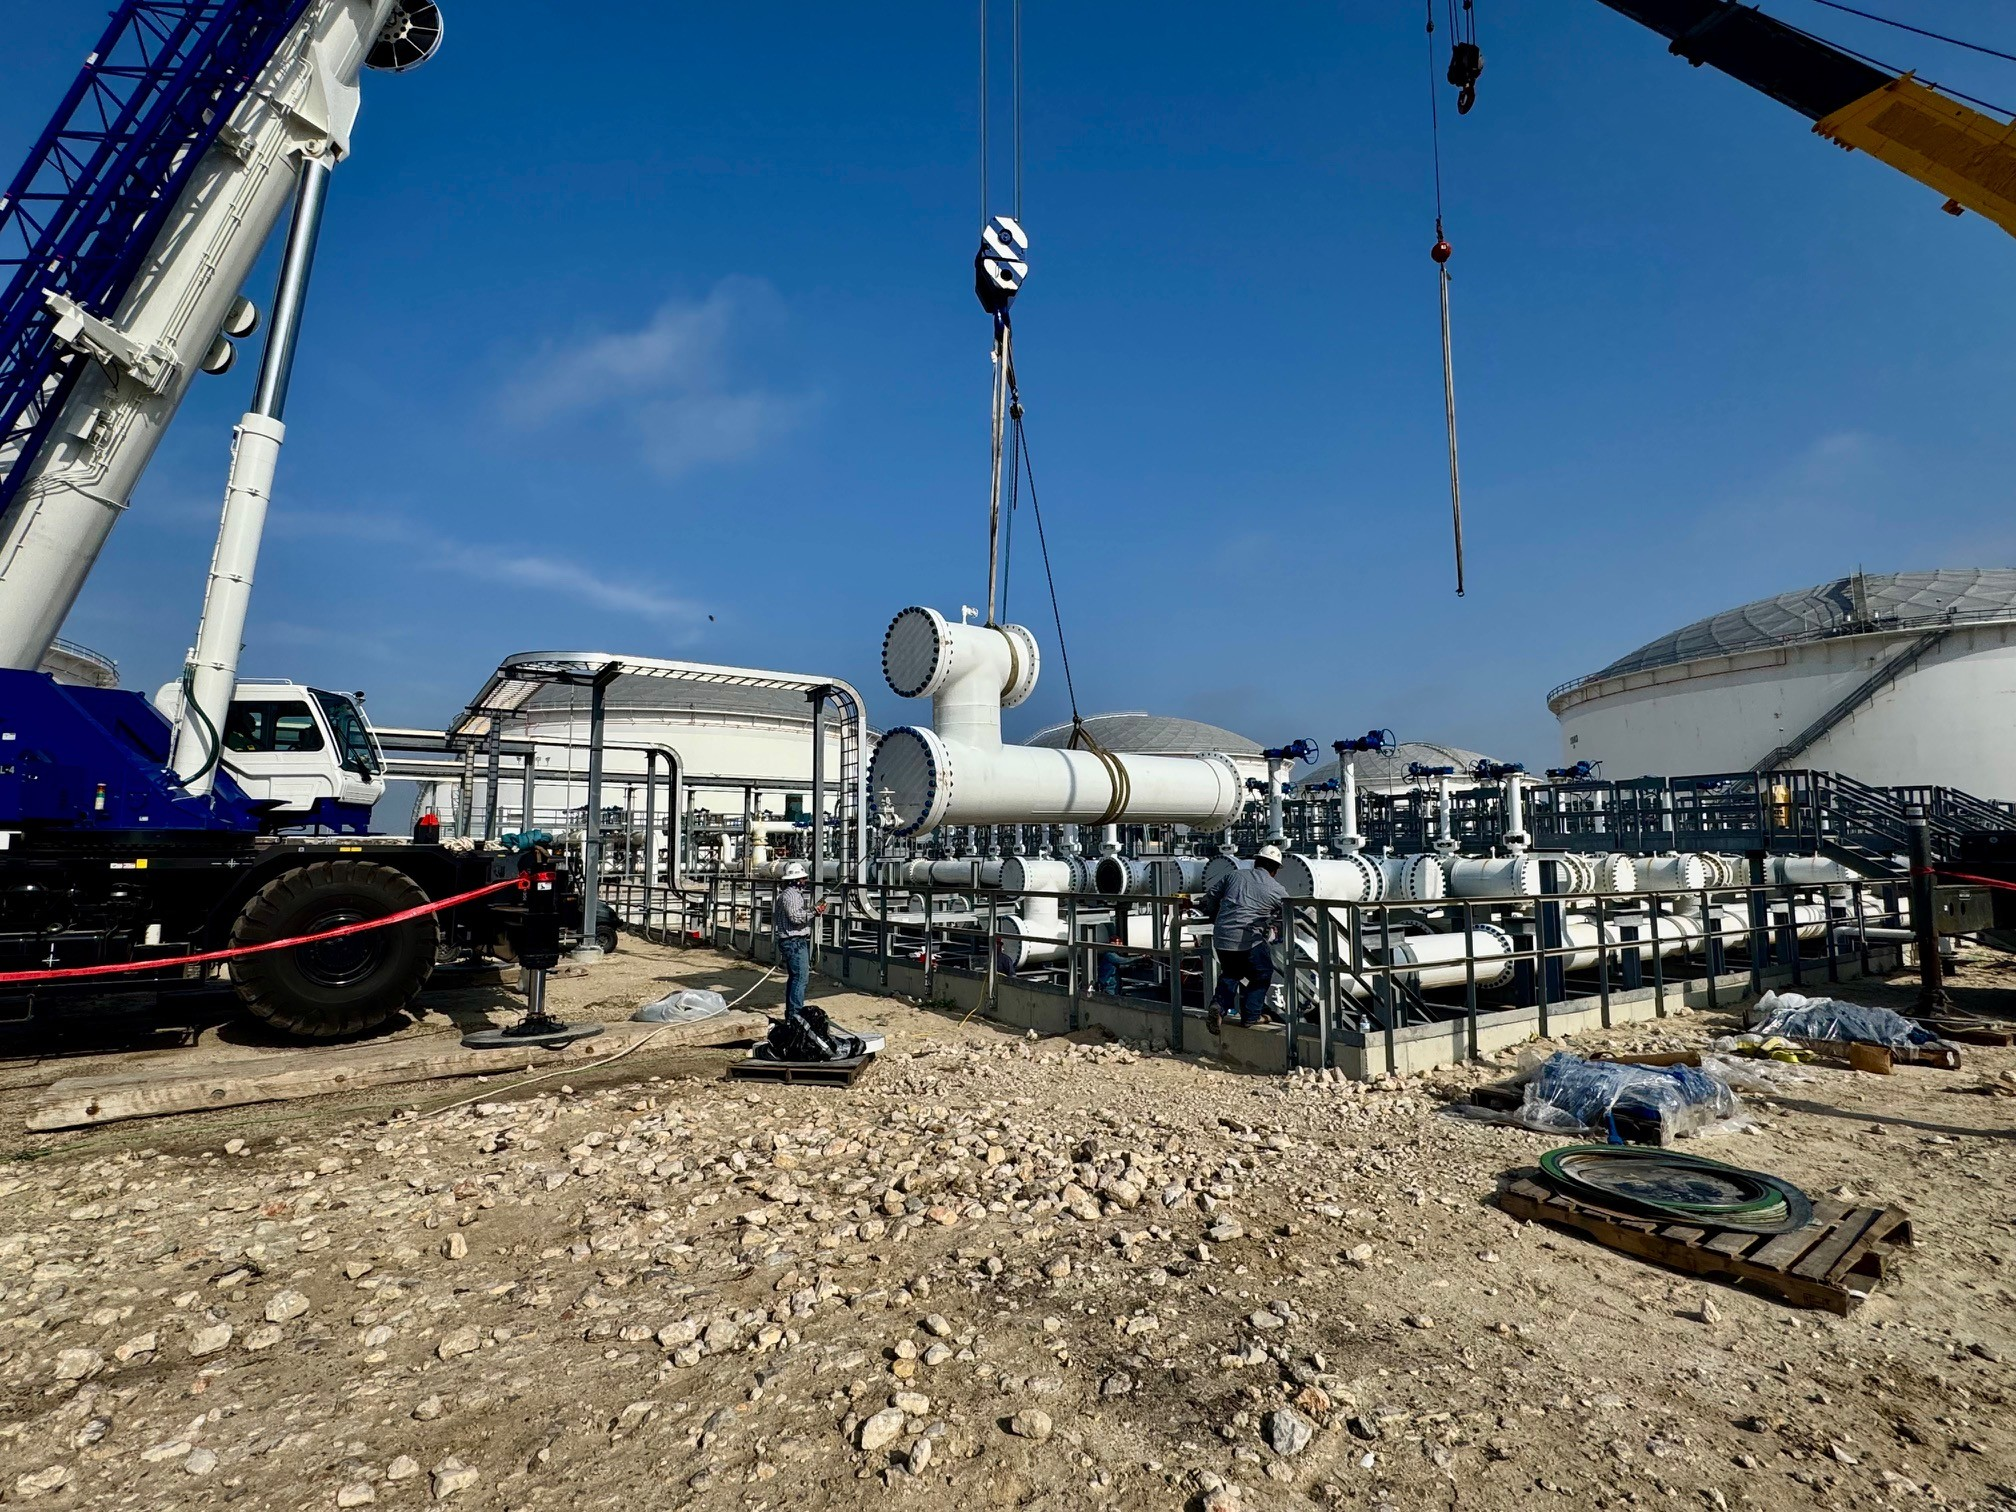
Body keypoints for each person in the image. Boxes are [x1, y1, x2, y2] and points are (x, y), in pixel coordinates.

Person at [1196, 844, 1288, 1032]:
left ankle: (1218, 1007)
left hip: (1222, 935)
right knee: (1262, 973)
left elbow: (1209, 897)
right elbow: (1290, 912)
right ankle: (1251, 1016)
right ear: (1275, 870)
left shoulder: (1234, 876)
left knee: (1231, 973)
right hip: (1248, 939)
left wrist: (1214, 916)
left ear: (1256, 862)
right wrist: (1275, 925)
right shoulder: (1277, 889)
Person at [773, 861, 824, 1023]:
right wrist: (814, 912)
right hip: (794, 941)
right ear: (795, 880)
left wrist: (812, 911)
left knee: (795, 978)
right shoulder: (792, 896)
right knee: (800, 978)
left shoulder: (788, 895)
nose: (804, 881)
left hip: (791, 941)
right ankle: (795, 1016)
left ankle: (792, 1014)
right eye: (802, 879)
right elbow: (795, 918)